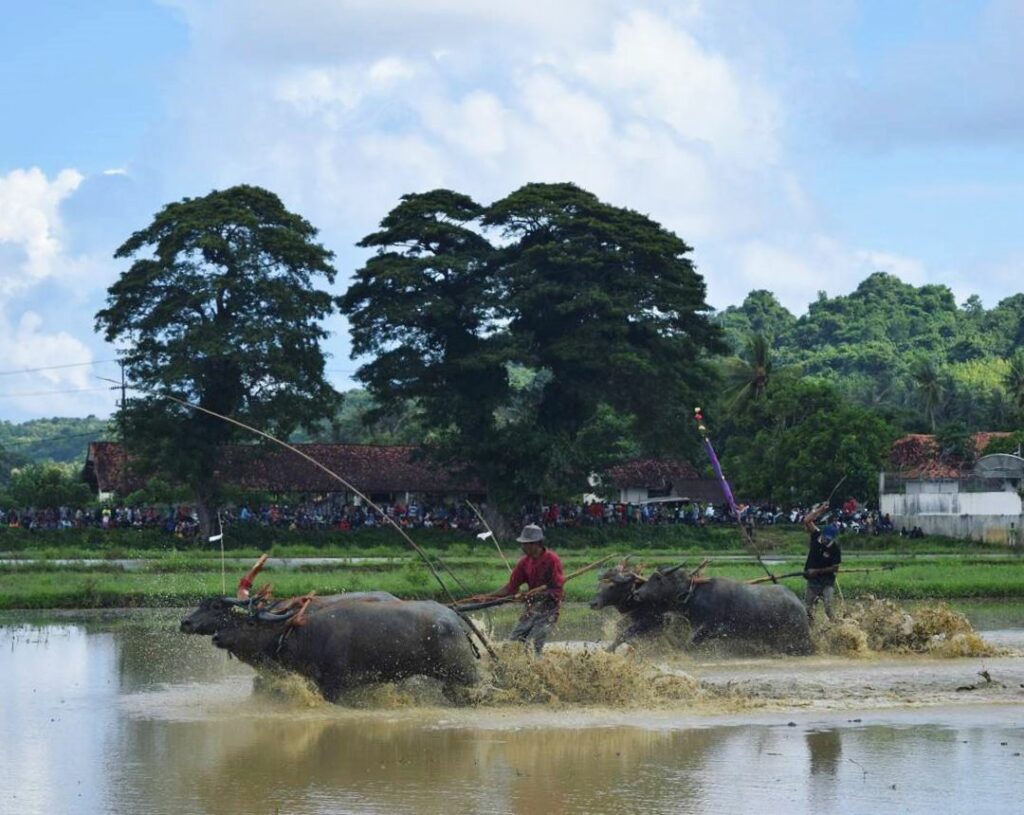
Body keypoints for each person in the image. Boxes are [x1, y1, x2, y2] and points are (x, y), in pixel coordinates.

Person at [489, 523, 565, 653]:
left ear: (537, 544)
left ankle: (537, 670)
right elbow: (511, 588)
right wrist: (488, 597)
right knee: (512, 643)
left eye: (526, 543)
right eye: (523, 543)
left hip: (548, 610)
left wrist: (534, 595)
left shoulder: (552, 560)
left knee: (532, 645)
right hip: (531, 609)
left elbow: (557, 590)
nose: (523, 546)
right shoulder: (524, 562)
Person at [802, 501, 842, 621]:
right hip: (812, 581)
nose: (825, 540)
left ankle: (839, 629)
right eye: (824, 537)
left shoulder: (835, 549)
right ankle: (811, 628)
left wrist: (817, 571)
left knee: (829, 610)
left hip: (826, 582)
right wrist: (820, 510)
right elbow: (807, 521)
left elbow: (835, 568)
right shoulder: (816, 535)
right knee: (807, 610)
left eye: (828, 539)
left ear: (833, 539)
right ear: (822, 533)